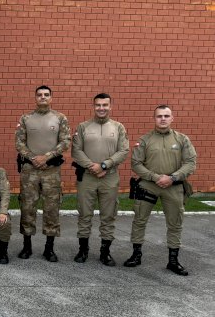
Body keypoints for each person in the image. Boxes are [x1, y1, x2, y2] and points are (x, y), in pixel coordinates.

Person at [125, 105, 197, 276]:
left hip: (173, 186)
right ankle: (136, 254)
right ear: (154, 118)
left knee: (175, 223)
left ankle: (173, 260)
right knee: (139, 220)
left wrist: (172, 177)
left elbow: (190, 162)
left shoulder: (182, 139)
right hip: (148, 185)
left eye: (166, 116)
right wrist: (156, 177)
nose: (163, 119)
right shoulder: (145, 140)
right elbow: (136, 163)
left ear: (172, 118)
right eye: (159, 116)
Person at [71, 93, 130, 266]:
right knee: (84, 214)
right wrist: (92, 166)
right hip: (87, 177)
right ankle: (83, 250)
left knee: (108, 215)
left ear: (111, 106)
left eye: (105, 105)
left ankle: (105, 252)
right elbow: (76, 151)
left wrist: (104, 165)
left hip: (109, 178)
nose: (101, 108)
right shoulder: (83, 127)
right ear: (93, 106)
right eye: (98, 105)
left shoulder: (118, 127)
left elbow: (124, 151)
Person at [15, 85, 71, 262]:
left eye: (46, 95)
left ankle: (49, 248)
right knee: (27, 207)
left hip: (51, 171)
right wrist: (33, 158)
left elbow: (65, 141)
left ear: (51, 98)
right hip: (29, 171)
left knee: (51, 209)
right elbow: (19, 143)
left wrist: (46, 157)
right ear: (35, 98)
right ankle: (27, 246)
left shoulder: (60, 118)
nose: (43, 97)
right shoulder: (26, 118)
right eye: (39, 95)